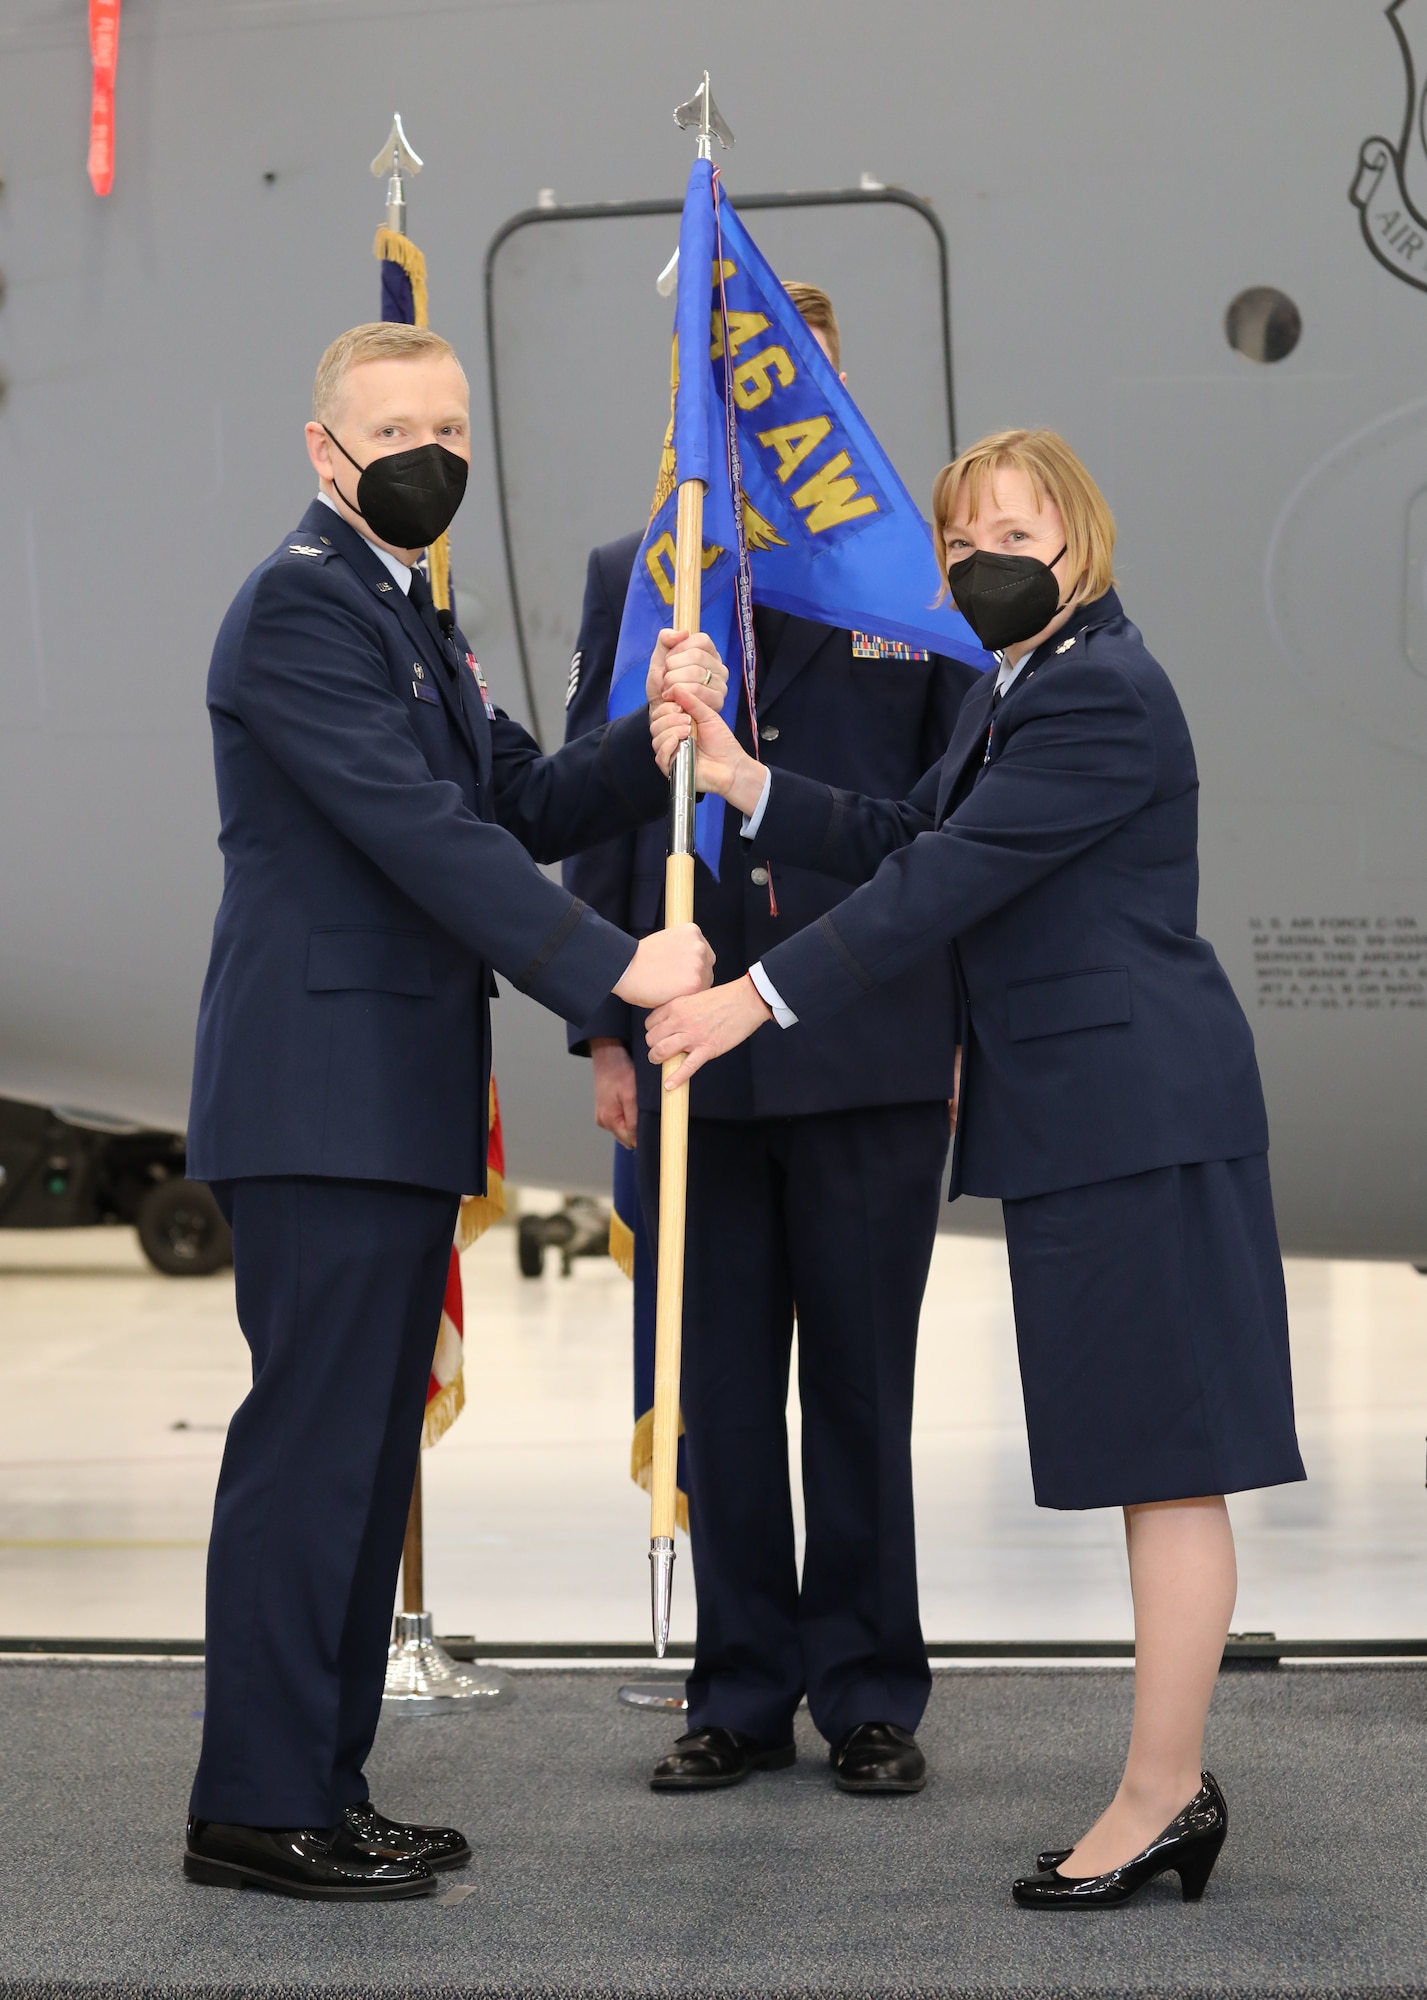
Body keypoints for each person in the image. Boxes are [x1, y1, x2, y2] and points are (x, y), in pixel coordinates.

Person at [646, 428, 1305, 1905]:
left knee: (1172, 1469)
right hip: (1100, 1124)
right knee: (1155, 1463)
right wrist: (748, 776)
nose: (983, 559)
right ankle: (1165, 1789)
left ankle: (1159, 1798)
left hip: (1141, 1121)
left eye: (1015, 531)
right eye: (960, 540)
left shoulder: (1097, 699)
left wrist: (748, 999)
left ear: (1082, 541)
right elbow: (903, 830)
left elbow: (937, 885)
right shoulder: (1031, 687)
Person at [182, 320, 721, 1901]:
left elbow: (519, 799)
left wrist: (654, 745)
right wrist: (626, 972)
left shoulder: (411, 612)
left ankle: (320, 1787)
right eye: (395, 429)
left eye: (451, 425)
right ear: (323, 451)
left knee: (359, 1460)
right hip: (320, 1096)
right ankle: (254, 1803)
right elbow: (431, 841)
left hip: (391, 1100)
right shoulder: (300, 609)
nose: (432, 454)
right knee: (311, 1455)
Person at [565, 285, 981, 1796]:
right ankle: (739, 1689)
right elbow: (598, 815)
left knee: (863, 1384)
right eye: (731, 388)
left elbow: (958, 832)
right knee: (723, 1387)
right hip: (690, 1047)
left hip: (869, 1045)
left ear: (828, 391)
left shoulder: (913, 586)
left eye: (789, 382)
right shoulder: (639, 578)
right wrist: (601, 1029)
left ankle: (871, 1689)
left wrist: (956, 1031)